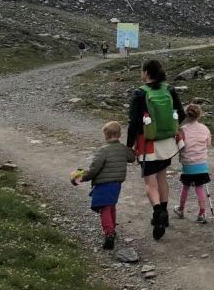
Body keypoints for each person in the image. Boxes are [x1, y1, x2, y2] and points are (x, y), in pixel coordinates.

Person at [127, 59, 185, 240]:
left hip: (148, 144)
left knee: (149, 182)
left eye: (141, 70)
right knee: (162, 177)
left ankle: (158, 213)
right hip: (167, 143)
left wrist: (129, 146)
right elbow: (181, 114)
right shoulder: (169, 90)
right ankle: (164, 214)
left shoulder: (139, 93)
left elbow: (134, 123)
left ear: (145, 72)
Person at [71, 121, 136, 250]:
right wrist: (132, 149)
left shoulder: (103, 151)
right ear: (119, 134)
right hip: (117, 183)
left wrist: (81, 178)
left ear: (106, 135)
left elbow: (94, 169)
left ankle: (109, 233)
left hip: (103, 184)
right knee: (111, 205)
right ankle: (113, 228)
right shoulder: (123, 149)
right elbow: (132, 157)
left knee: (104, 209)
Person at [175, 104, 212, 224]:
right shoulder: (205, 129)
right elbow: (208, 144)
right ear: (199, 115)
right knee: (199, 187)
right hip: (201, 164)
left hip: (188, 165)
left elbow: (179, 146)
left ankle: (181, 209)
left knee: (185, 186)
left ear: (186, 115)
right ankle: (202, 213)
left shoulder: (182, 130)